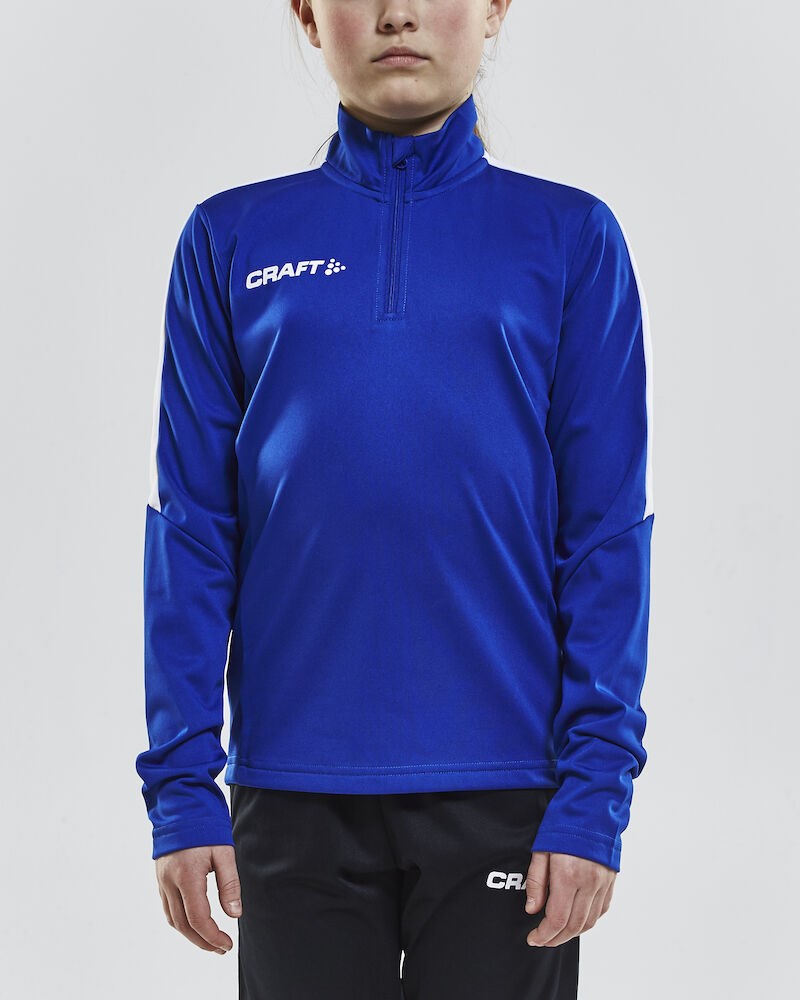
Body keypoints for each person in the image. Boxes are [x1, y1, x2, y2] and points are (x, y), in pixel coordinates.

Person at [135, 1, 654, 997]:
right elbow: (193, 535)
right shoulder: (230, 238)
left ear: (495, 9)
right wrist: (182, 787)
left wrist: (594, 792)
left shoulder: (569, 238)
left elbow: (604, 539)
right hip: (293, 790)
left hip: (511, 789)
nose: (399, 13)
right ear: (306, 13)